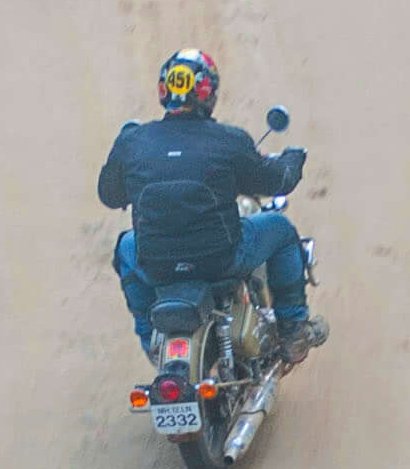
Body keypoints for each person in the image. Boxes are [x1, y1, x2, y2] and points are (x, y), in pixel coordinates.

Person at [97, 46, 329, 364]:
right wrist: (292, 158)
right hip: (221, 259)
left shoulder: (133, 142)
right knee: (281, 229)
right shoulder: (228, 140)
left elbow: (109, 196)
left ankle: (149, 336)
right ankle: (293, 329)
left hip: (157, 263)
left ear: (164, 91)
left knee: (125, 246)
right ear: (209, 93)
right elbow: (277, 182)